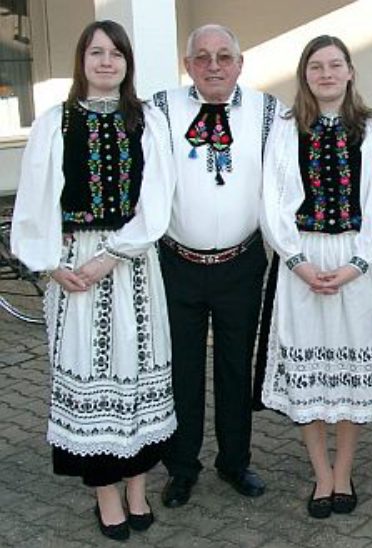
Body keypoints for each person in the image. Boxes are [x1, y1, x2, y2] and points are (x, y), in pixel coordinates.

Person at [11, 20, 176, 542]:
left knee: (138, 370)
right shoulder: (54, 122)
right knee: (89, 372)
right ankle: (106, 495)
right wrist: (48, 263)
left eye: (116, 54)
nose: (106, 62)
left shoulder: (146, 119)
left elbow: (157, 197)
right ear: (82, 61)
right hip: (73, 262)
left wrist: (115, 253)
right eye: (96, 53)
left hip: (131, 262)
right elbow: (34, 201)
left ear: (128, 63)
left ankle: (137, 487)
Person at [260, 35, 372, 519]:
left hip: (357, 261)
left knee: (351, 376)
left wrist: (358, 263)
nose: (326, 74)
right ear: (305, 75)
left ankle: (345, 470)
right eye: (316, 66)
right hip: (303, 257)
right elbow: (273, 198)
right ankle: (321, 472)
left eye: (335, 65)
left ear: (350, 71)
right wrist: (295, 261)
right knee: (309, 376)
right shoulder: (285, 127)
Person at [153, 24, 282, 507]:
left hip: (241, 264)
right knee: (181, 370)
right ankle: (181, 466)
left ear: (240, 63)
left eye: (223, 56)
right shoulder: (160, 109)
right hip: (176, 263)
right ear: (188, 65)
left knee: (234, 366)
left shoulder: (270, 112)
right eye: (202, 57)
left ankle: (235, 462)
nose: (213, 66)